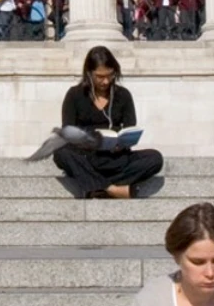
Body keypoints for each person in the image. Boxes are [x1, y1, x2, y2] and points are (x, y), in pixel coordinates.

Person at [54, 47, 164, 199]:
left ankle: (94, 185)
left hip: (117, 159)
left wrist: (122, 143)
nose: (105, 81)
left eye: (109, 75)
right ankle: (112, 188)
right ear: (89, 74)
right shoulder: (74, 95)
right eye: (99, 76)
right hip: (88, 158)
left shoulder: (123, 95)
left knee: (155, 159)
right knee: (61, 153)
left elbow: (130, 128)